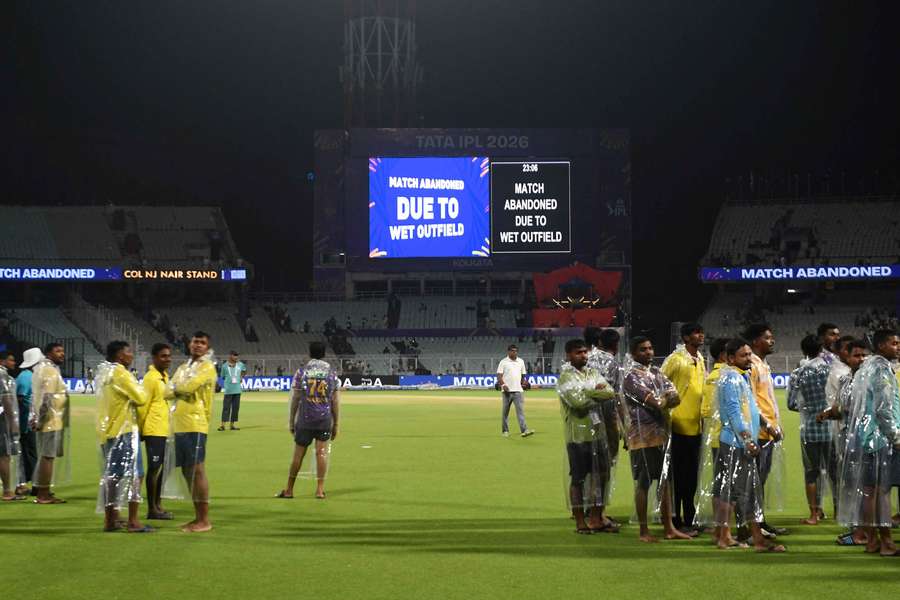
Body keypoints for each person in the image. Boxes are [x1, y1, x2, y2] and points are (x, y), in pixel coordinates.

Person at [715, 338, 786, 552]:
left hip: (740, 442)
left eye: (749, 354)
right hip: (736, 444)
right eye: (743, 355)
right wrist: (747, 440)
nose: (749, 359)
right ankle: (753, 540)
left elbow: (752, 408)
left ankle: (731, 537)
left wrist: (768, 425)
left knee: (739, 491)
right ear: (730, 358)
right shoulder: (731, 380)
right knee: (742, 492)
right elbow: (735, 413)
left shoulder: (740, 377)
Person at [836, 329, 900, 557]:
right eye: (894, 343)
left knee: (869, 491)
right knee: (881, 492)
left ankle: (872, 540)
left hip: (865, 436)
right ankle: (887, 544)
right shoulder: (882, 369)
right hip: (880, 438)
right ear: (881, 346)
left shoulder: (867, 367)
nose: (898, 347)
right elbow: (884, 410)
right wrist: (896, 437)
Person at [622, 336, 692, 542]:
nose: (649, 352)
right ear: (634, 353)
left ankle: (669, 528)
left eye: (651, 348)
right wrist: (664, 400)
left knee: (665, 482)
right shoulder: (631, 377)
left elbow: (675, 397)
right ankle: (644, 531)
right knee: (643, 482)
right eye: (643, 349)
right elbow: (658, 402)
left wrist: (665, 400)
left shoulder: (656, 373)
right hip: (641, 436)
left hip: (661, 434)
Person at [557, 339, 617, 533]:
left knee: (602, 476)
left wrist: (586, 392)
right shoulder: (566, 377)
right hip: (578, 436)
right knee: (578, 479)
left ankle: (595, 518)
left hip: (598, 434)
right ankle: (580, 522)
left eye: (584, 352)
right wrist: (594, 391)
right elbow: (578, 404)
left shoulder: (593, 372)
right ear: (568, 355)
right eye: (578, 353)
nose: (583, 356)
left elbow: (610, 392)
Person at [96, 341, 152, 532]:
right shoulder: (120, 373)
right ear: (120, 356)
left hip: (109, 431)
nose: (132, 354)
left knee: (113, 476)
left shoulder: (105, 372)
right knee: (136, 475)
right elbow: (141, 397)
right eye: (128, 351)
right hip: (124, 431)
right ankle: (133, 521)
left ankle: (110, 519)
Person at [818, 339, 869, 546]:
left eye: (863, 355)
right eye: (856, 355)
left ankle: (862, 533)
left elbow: (849, 408)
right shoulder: (848, 379)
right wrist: (829, 413)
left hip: (863, 440)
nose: (861, 359)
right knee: (852, 485)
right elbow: (842, 407)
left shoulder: (865, 379)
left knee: (861, 486)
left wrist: (830, 413)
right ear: (846, 357)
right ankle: (858, 530)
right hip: (849, 437)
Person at [277, 341, 339, 499]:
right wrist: (336, 423)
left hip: (305, 419)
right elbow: (334, 400)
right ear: (324, 353)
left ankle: (289, 489)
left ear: (310, 353)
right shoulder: (331, 373)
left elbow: (296, 397)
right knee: (322, 453)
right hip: (324, 418)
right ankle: (319, 490)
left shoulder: (302, 372)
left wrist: (291, 420)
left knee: (298, 455)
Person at [741, 323, 787, 537]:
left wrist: (776, 424)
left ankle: (759, 522)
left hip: (767, 432)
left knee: (760, 481)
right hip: (758, 433)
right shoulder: (752, 365)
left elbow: (767, 399)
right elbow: (750, 401)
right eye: (768, 337)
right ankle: (750, 527)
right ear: (756, 341)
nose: (772, 340)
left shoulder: (763, 365)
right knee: (753, 481)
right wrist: (767, 424)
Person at [660, 322, 706, 533]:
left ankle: (689, 514)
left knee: (691, 476)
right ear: (686, 337)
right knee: (678, 476)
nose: (701, 336)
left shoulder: (701, 359)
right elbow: (658, 381)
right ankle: (675, 518)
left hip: (695, 425)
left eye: (701, 332)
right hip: (678, 424)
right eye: (696, 333)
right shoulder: (676, 359)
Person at [170, 331, 217, 533]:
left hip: (196, 424)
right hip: (179, 424)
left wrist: (176, 388)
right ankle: (197, 517)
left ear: (207, 348)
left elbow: (188, 388)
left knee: (197, 471)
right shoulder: (183, 367)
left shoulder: (207, 367)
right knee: (187, 471)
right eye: (195, 341)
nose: (198, 345)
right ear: (189, 344)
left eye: (202, 343)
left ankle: (204, 520)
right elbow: (167, 390)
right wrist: (177, 387)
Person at [787, 335, 835, 524]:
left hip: (809, 429)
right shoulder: (830, 370)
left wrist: (809, 409)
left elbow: (791, 404)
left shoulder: (798, 373)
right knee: (834, 472)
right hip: (831, 428)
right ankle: (840, 511)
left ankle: (815, 514)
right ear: (821, 349)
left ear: (804, 351)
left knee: (811, 473)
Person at [584, 327, 626, 527]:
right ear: (616, 345)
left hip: (586, 418)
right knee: (604, 467)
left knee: (587, 466)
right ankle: (599, 513)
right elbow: (618, 396)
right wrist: (625, 428)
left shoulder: (587, 358)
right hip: (606, 418)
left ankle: (584, 507)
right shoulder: (613, 364)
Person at [695, 337, 729, 539]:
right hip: (725, 437)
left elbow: (706, 410)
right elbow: (708, 410)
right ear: (725, 355)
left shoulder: (713, 376)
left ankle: (720, 526)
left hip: (718, 436)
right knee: (725, 484)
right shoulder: (721, 377)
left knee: (721, 482)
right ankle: (721, 529)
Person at [31, 342, 70, 504]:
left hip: (50, 420)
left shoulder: (44, 369)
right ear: (48, 354)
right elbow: (47, 398)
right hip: (50, 421)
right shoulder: (50, 371)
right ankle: (43, 494)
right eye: (58, 351)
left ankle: (43, 490)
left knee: (46, 456)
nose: (62, 354)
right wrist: (40, 420)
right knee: (48, 457)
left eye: (62, 350)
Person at [138, 343, 174, 520]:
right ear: (154, 358)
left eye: (168, 356)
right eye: (163, 356)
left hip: (164, 429)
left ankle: (158, 504)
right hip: (153, 429)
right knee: (154, 469)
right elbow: (143, 405)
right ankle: (152, 509)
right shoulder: (150, 378)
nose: (167, 359)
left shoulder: (165, 376)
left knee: (164, 468)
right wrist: (140, 430)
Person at [15, 347, 41, 496]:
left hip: (29, 423)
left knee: (28, 454)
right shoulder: (26, 377)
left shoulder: (27, 375)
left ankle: (25, 483)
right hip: (25, 424)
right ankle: (33, 484)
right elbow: (19, 400)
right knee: (29, 454)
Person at [496, 344, 534, 438]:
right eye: (513, 351)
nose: (515, 352)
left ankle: (524, 430)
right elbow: (499, 376)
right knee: (505, 413)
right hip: (507, 392)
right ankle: (505, 431)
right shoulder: (503, 362)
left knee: (520, 412)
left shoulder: (521, 361)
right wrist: (503, 385)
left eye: (516, 351)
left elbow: (523, 375)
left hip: (518, 391)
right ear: (508, 352)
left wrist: (524, 382)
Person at [0, 355, 23, 500]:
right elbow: (6, 400)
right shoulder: (2, 375)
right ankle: (8, 491)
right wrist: (13, 422)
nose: (14, 362)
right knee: (4, 456)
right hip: (1, 419)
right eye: (10, 360)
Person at [218, 351, 246, 431]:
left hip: (237, 390)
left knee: (235, 408)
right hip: (228, 390)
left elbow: (244, 370)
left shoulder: (240, 364)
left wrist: (241, 377)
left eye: (237, 356)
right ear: (230, 356)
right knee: (226, 408)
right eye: (234, 356)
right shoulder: (224, 366)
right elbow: (222, 376)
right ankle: (223, 425)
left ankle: (232, 425)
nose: (236, 357)